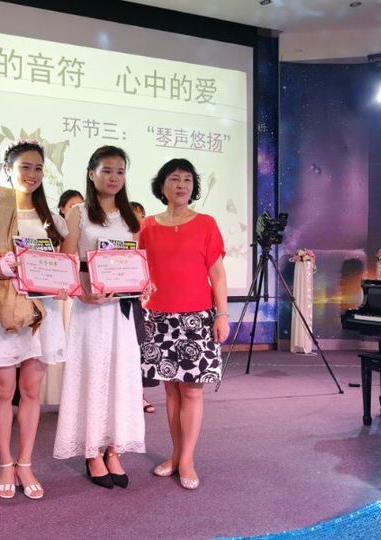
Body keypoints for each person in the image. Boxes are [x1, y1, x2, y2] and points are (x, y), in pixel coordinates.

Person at [0, 140, 68, 500]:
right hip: (4, 308)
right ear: (8, 170)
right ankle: (5, 462)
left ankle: (25, 462)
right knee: (3, 388)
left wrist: (63, 283)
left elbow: (63, 268)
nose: (32, 174)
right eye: (24, 167)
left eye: (38, 168)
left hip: (42, 311)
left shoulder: (53, 220)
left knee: (31, 390)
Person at [54, 146, 145, 490]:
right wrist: (82, 292)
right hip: (90, 309)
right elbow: (66, 262)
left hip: (121, 312)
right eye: (107, 170)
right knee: (92, 376)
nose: (114, 177)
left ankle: (114, 449)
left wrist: (142, 284)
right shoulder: (78, 213)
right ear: (92, 174)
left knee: (120, 376)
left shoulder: (131, 216)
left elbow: (136, 261)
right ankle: (92, 451)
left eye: (120, 171)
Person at [139, 158, 229, 490]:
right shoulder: (146, 226)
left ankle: (187, 458)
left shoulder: (206, 223)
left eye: (187, 180)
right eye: (174, 179)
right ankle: (175, 454)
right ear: (161, 185)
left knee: (191, 390)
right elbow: (138, 270)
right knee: (171, 391)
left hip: (196, 318)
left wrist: (222, 314)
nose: (181, 185)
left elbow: (217, 274)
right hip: (159, 318)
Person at [130, 201, 158, 415]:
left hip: (146, 305)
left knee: (140, 351)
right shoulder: (117, 242)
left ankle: (139, 396)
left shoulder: (150, 241)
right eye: (133, 215)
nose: (138, 220)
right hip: (121, 302)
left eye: (141, 216)